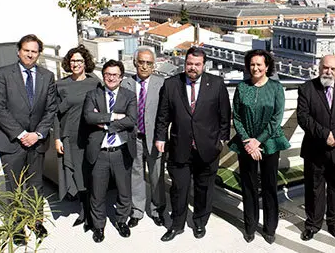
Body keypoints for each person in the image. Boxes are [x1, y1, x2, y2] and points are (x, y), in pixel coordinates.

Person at [154, 47, 231, 242]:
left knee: (204, 188)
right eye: (189, 64)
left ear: (204, 65)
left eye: (197, 64)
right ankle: (177, 225)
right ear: (184, 63)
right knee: (179, 188)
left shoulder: (216, 84)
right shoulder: (171, 84)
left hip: (208, 147)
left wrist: (221, 140)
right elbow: (163, 116)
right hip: (180, 147)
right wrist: (160, 137)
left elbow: (224, 115)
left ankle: (199, 222)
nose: (193, 68)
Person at [0, 34, 57, 245]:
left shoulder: (47, 76)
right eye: (27, 50)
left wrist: (37, 134)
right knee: (14, 185)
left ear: (39, 53)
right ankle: (18, 225)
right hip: (11, 142)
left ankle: (36, 221)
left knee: (36, 184)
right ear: (19, 51)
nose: (30, 54)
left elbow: (51, 109)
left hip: (36, 142)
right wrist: (21, 135)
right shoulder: (3, 74)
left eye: (34, 51)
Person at [229, 49, 290, 244]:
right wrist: (248, 141)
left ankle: (270, 227)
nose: (255, 68)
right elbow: (236, 116)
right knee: (248, 185)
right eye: (252, 64)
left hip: (270, 143)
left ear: (267, 66)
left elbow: (276, 119)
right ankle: (250, 225)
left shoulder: (276, 88)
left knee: (269, 185)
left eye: (259, 64)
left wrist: (259, 141)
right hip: (246, 144)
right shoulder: (241, 87)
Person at [297, 55, 335, 241]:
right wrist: (325, 135)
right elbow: (304, 117)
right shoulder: (307, 88)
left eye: (333, 69)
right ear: (319, 67)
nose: (329, 72)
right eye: (325, 68)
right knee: (314, 189)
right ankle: (313, 224)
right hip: (315, 150)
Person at [82, 60, 137, 243]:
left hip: (121, 152)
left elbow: (131, 120)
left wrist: (104, 124)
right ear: (103, 75)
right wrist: (113, 117)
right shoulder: (93, 94)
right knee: (97, 193)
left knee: (124, 192)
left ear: (121, 77)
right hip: (100, 153)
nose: (111, 78)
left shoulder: (129, 96)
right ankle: (99, 227)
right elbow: (89, 117)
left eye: (115, 75)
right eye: (107, 74)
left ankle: (121, 221)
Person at [54, 45, 101, 231]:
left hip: (90, 135)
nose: (76, 64)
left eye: (79, 61)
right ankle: (84, 211)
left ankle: (91, 213)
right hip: (70, 136)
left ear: (85, 63)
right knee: (77, 174)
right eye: (73, 61)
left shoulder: (94, 82)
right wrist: (57, 138)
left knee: (91, 173)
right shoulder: (60, 85)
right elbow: (55, 115)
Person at [120, 46, 166, 228]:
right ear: (135, 63)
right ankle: (137, 211)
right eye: (141, 62)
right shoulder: (126, 84)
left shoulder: (162, 84)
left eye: (149, 63)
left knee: (156, 176)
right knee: (136, 174)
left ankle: (157, 210)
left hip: (155, 139)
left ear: (154, 65)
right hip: (134, 137)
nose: (145, 66)